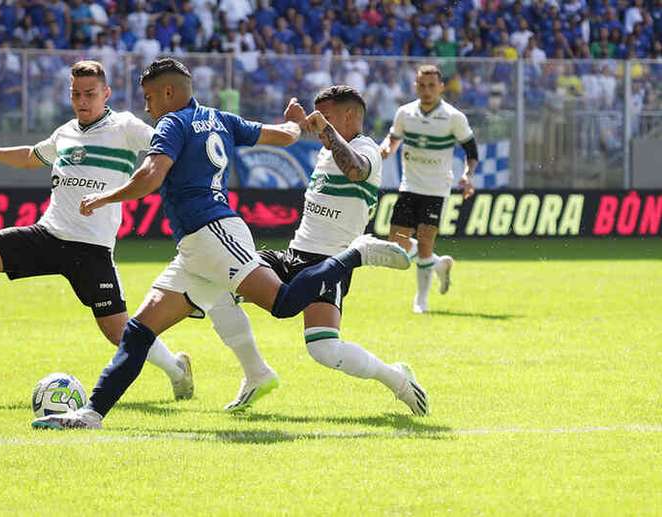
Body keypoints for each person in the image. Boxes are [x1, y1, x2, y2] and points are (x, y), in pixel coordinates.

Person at [31, 58, 411, 430]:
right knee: (139, 331)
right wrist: (295, 124)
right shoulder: (221, 118)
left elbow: (149, 175)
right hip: (195, 248)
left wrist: (104, 198)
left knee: (283, 304)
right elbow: (282, 136)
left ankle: (356, 254)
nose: (146, 106)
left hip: (215, 233)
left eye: (148, 97)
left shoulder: (172, 123)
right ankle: (91, 415)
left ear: (168, 92)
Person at [0, 60, 195, 402]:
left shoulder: (125, 126)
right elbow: (30, 156)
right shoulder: (64, 133)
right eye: (76, 93)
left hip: (91, 249)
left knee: (117, 331)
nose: (82, 100)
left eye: (90, 93)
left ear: (106, 93)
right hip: (47, 235)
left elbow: (167, 147)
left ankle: (176, 368)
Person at [215, 85, 428, 416]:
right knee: (220, 283)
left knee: (324, 350)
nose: (318, 124)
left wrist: (322, 129)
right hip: (293, 254)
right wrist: (305, 126)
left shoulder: (367, 149)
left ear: (350, 116)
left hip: (331, 263)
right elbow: (329, 145)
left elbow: (354, 169)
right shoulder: (326, 150)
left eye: (325, 117)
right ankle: (256, 373)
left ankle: (397, 379)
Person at [379, 64, 478, 314]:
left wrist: (467, 176)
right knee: (396, 243)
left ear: (441, 87)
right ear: (415, 86)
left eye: (432, 85)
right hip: (409, 186)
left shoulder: (453, 117)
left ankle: (421, 301)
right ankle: (437, 265)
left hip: (436, 189)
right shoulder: (405, 113)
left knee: (425, 243)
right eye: (422, 85)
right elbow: (392, 139)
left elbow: (471, 151)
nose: (427, 90)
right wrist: (384, 150)